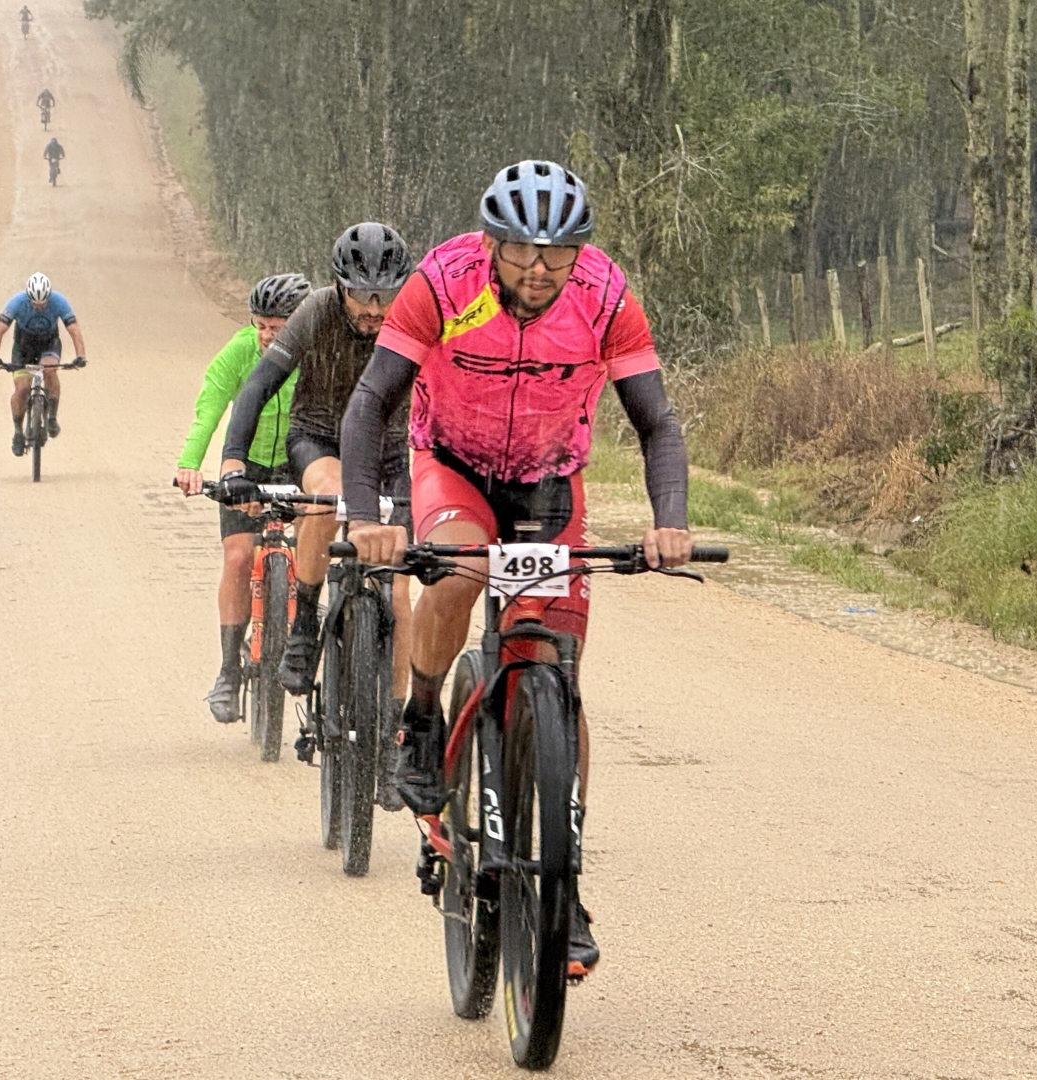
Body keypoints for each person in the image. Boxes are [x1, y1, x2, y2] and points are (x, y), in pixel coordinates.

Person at [340, 160, 693, 976]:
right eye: (522, 250)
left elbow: (656, 421)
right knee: (461, 571)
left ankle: (564, 884)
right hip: (452, 465)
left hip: (547, 482)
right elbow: (371, 402)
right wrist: (364, 518)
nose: (539, 269)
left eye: (557, 253)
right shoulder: (442, 282)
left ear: (579, 253)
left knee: (556, 670)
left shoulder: (605, 296)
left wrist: (669, 522)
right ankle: (421, 719)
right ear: (491, 244)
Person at [215, 225, 418, 771]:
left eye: (385, 295)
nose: (374, 309)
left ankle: (394, 726)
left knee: (400, 591)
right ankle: (305, 622)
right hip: (320, 438)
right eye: (362, 295)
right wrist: (233, 459)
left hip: (391, 452)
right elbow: (259, 384)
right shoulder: (316, 311)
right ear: (339, 285)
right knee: (326, 498)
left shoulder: (415, 315)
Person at [174, 273, 314, 723]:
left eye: (279, 327)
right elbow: (210, 409)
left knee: (314, 549)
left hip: (298, 461)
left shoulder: (316, 353)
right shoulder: (238, 352)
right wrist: (190, 463)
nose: (268, 336)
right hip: (246, 464)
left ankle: (306, 634)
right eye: (262, 326)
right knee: (237, 557)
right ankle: (228, 671)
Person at [0, 272, 87, 457]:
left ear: (49, 296)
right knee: (22, 389)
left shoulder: (59, 301)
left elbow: (74, 329)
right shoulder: (17, 302)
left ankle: (52, 417)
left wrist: (81, 356)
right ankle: (18, 431)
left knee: (50, 370)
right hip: (23, 347)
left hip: (48, 344)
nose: (39, 307)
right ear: (28, 297)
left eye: (43, 303)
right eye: (35, 303)